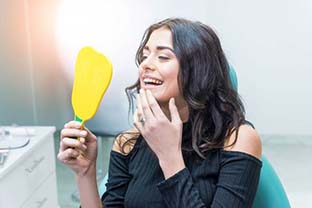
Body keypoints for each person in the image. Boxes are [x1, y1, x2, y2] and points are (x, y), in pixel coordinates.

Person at [58, 18, 262, 208]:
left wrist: (169, 158)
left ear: (199, 71)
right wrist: (85, 173)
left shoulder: (237, 139)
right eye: (145, 56)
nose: (146, 64)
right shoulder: (127, 143)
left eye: (163, 56)